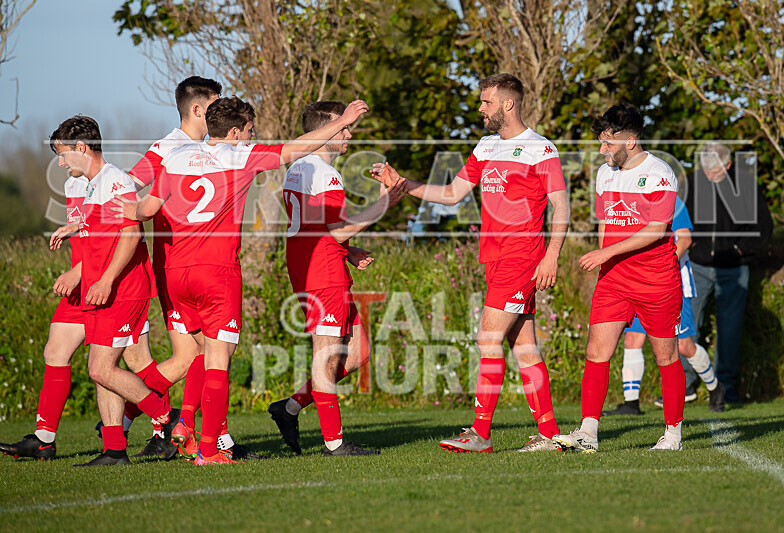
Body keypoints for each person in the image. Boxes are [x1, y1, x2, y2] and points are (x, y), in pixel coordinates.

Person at [127, 96, 370, 464]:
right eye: (251, 130)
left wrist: (101, 215)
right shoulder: (238, 155)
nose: (253, 136)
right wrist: (343, 120)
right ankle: (208, 450)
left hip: (175, 272)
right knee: (218, 361)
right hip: (217, 272)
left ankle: (186, 425)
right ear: (236, 131)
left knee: (199, 355)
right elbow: (295, 148)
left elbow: (144, 209)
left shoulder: (175, 157)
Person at [373, 73, 570, 453]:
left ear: (508, 104)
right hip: (493, 258)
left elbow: (561, 204)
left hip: (522, 256)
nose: (480, 108)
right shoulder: (485, 146)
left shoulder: (540, 150)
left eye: (486, 102)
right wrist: (404, 184)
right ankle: (550, 435)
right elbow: (451, 194)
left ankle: (480, 433)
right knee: (523, 345)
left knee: (488, 338)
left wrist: (552, 256)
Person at [113, 76, 257, 460]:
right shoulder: (169, 148)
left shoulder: (208, 148)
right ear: (198, 110)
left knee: (198, 355)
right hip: (178, 264)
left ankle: (188, 430)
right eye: (215, 104)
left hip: (189, 265)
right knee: (199, 356)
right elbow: (127, 186)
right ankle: (145, 417)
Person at [268, 101, 405, 456]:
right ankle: (334, 441)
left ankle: (290, 408)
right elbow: (337, 231)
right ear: (322, 131)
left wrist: (350, 250)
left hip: (312, 264)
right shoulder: (325, 173)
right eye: (341, 127)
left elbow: (317, 229)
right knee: (327, 355)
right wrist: (385, 201)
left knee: (357, 354)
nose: (348, 133)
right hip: (322, 271)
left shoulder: (298, 167)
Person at [552, 103, 686, 452]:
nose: (602, 150)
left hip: (656, 279)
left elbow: (657, 230)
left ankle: (672, 436)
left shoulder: (659, 172)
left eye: (608, 143)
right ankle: (588, 433)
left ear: (630, 140)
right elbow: (606, 223)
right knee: (597, 349)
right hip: (613, 280)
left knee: (666, 356)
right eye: (600, 142)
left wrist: (605, 253)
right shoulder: (604, 173)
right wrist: (603, 257)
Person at [47, 115, 178, 466]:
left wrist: (105, 280)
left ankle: (167, 417)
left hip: (123, 290)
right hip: (103, 290)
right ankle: (114, 450)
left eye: (63, 154)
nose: (60, 162)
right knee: (104, 371)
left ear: (82, 148)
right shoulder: (93, 184)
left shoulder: (115, 180)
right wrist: (75, 226)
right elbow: (102, 226)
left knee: (100, 369)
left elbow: (131, 234)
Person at [603, 195, 725, 415]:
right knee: (632, 338)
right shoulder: (630, 201)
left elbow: (685, 240)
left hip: (671, 283)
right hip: (639, 284)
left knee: (683, 345)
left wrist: (661, 267)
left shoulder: (671, 199)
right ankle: (631, 404)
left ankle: (715, 388)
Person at [685, 142, 773, 404]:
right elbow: (677, 220)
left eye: (715, 171)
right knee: (687, 328)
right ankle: (685, 386)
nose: (709, 175)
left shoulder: (745, 185)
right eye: (706, 170)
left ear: (728, 164)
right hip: (697, 266)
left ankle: (726, 388)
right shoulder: (690, 183)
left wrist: (738, 249)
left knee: (730, 329)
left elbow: (764, 226)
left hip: (734, 269)